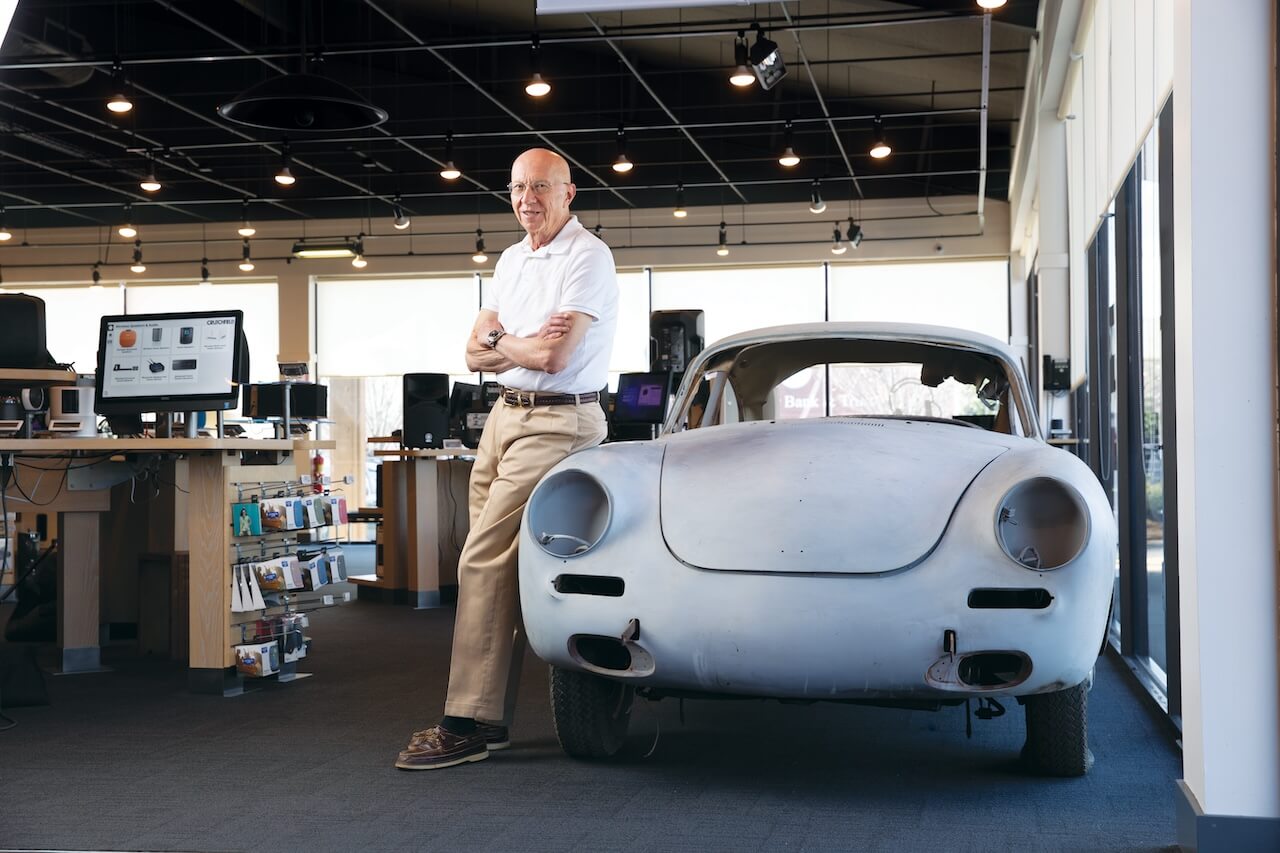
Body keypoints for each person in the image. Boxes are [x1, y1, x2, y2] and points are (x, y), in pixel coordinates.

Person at [396, 148, 618, 771]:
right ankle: (490, 719)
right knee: (491, 565)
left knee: (483, 559)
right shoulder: (512, 259)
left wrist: (503, 343)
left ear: (569, 193)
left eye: (541, 188)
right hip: (502, 417)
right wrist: (509, 344)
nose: (527, 200)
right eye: (518, 187)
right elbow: (474, 356)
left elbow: (555, 358)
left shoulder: (588, 257)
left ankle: (465, 721)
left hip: (559, 419)